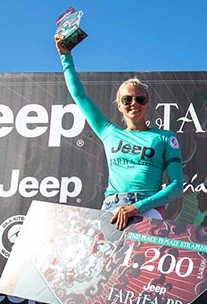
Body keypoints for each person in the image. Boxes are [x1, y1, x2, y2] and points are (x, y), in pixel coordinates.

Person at [54, 34, 183, 229]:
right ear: (119, 105)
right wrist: (66, 57)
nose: (134, 104)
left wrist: (137, 207)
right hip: (112, 206)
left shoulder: (164, 138)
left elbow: (176, 187)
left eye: (140, 99)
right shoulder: (109, 132)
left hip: (147, 207)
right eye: (127, 100)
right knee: (103, 258)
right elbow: (79, 95)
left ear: (147, 105)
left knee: (142, 260)